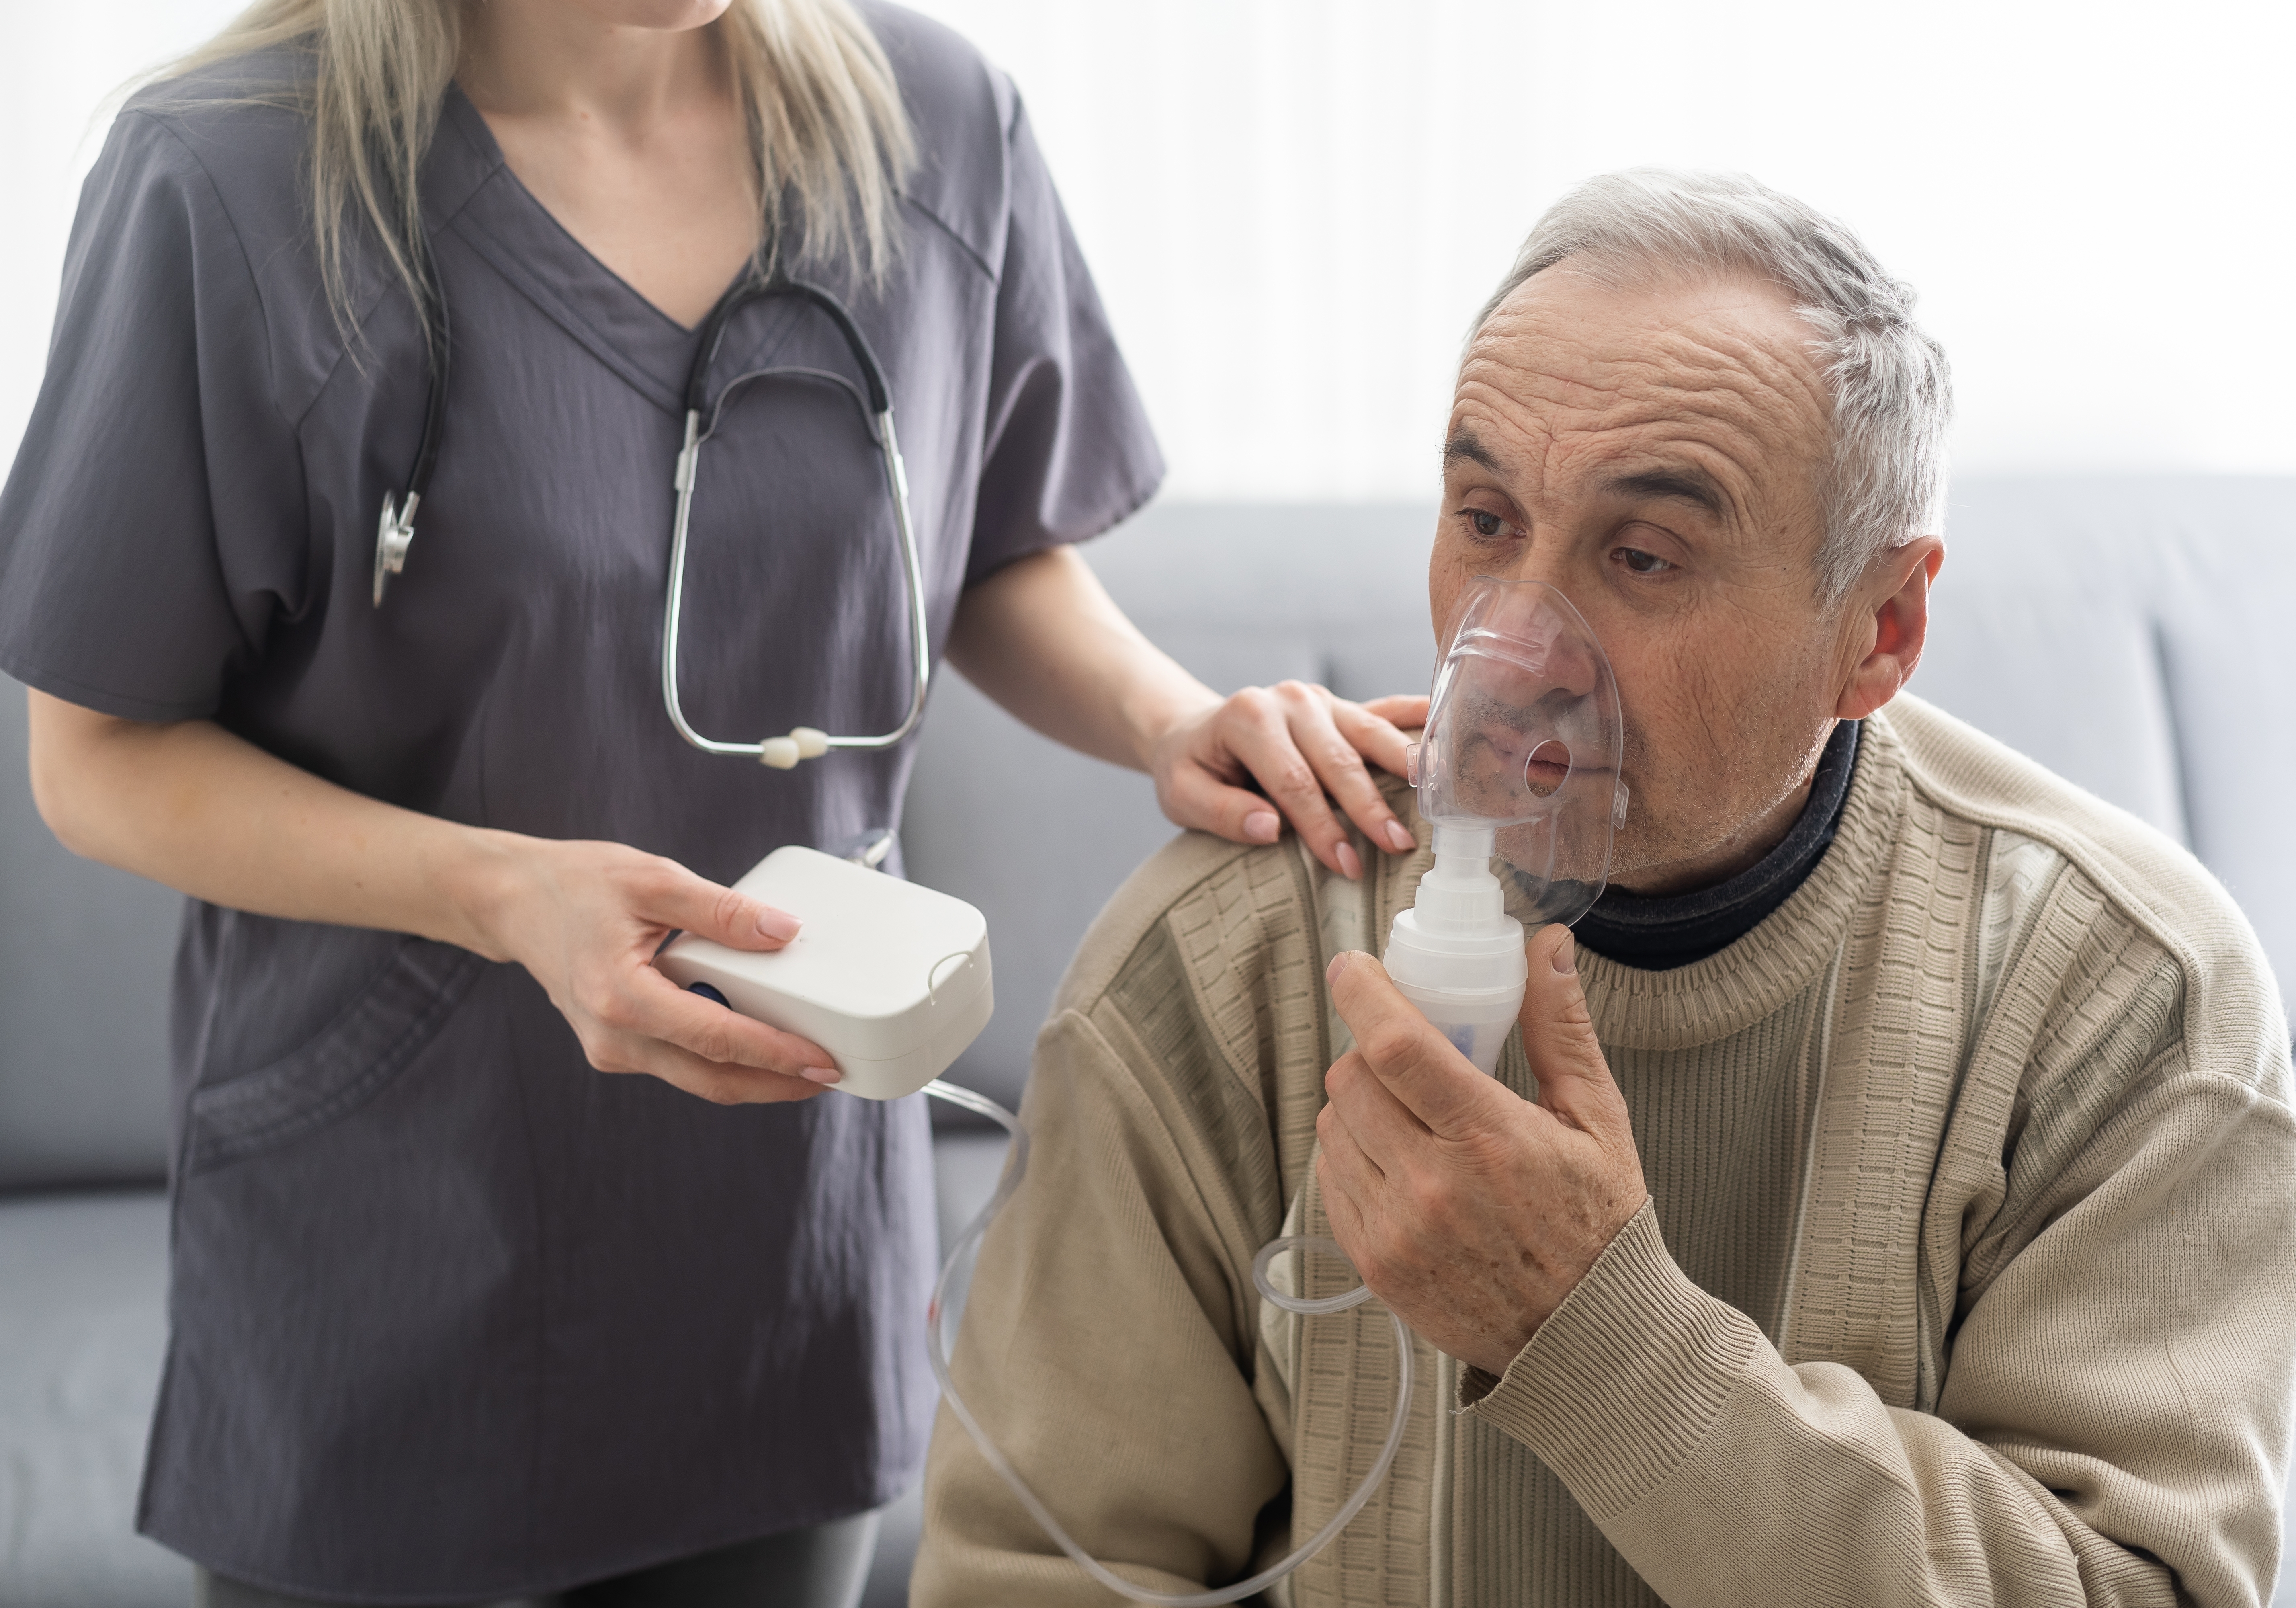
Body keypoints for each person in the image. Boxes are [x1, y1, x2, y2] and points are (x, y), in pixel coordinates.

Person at [0, 2, 1423, 1603]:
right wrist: (500, 893)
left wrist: (1167, 715)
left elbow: (990, 541)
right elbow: (98, 755)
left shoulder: (939, 125)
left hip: (777, 1257)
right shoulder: (233, 174)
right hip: (381, 1267)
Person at [913, 171, 2296, 1607]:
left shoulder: (2128, 996)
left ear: (1879, 630)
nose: (1516, 653)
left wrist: (1600, 1340)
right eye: (1486, 521)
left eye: (1642, 557)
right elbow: (1040, 1570)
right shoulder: (1221, 954)